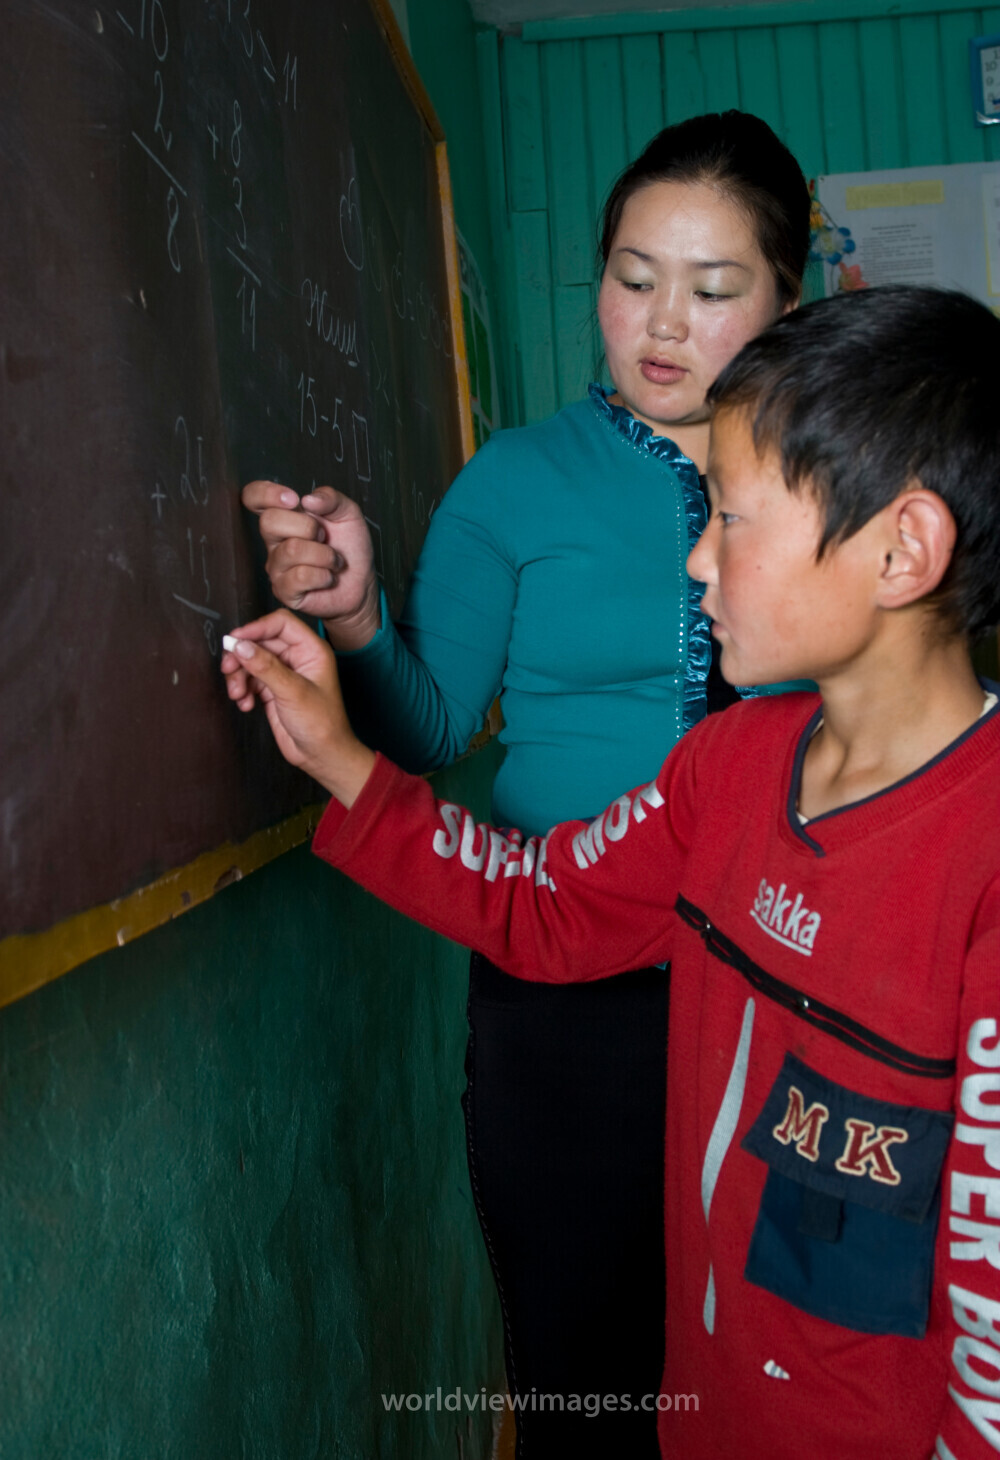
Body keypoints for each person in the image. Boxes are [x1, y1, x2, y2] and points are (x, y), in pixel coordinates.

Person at [222, 285, 1000, 1459]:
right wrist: (340, 756)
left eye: (730, 521)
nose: (694, 561)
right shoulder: (728, 767)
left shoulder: (981, 856)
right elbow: (541, 908)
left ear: (901, 551)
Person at [242, 111, 810, 1454]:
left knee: (777, 1354)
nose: (663, 323)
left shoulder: (825, 485)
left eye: (715, 291)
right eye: (632, 277)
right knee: (586, 1369)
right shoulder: (515, 482)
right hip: (562, 987)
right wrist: (356, 611)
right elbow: (431, 726)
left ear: (792, 301)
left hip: (784, 986)